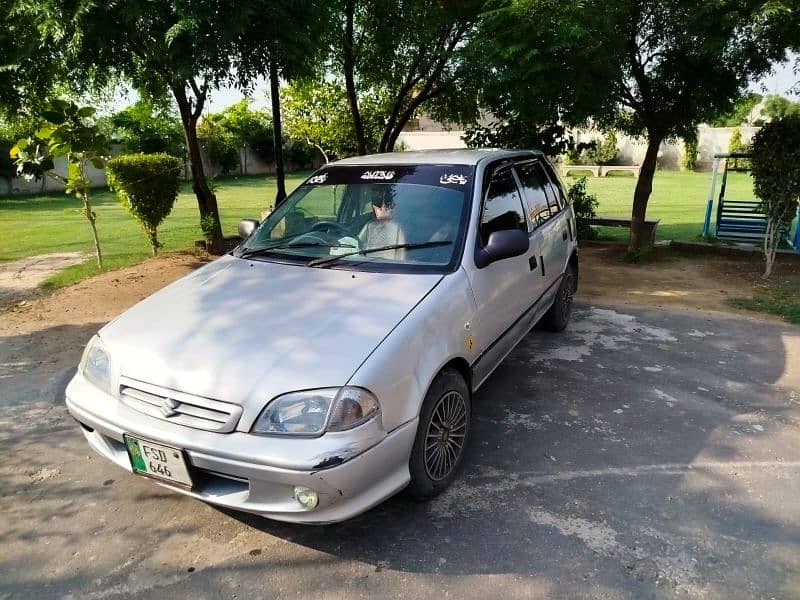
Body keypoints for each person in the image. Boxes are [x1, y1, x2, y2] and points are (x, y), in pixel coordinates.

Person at [358, 190, 406, 260]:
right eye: (378, 206)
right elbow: (358, 244)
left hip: (390, 265)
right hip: (367, 263)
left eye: (386, 206)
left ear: (392, 208)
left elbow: (401, 254)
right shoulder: (370, 225)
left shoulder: (396, 227)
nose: (382, 209)